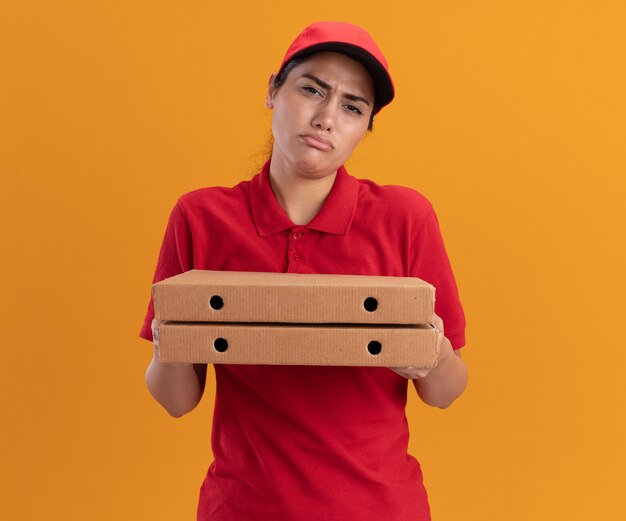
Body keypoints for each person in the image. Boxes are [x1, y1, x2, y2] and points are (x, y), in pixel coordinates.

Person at [139, 21, 468, 521]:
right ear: (273, 90)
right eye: (312, 89)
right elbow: (177, 401)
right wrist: (172, 342)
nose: (326, 117)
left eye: (352, 106)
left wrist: (431, 355)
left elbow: (444, 393)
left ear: (365, 127)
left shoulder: (405, 218)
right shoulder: (202, 218)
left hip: (380, 508)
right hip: (243, 507)